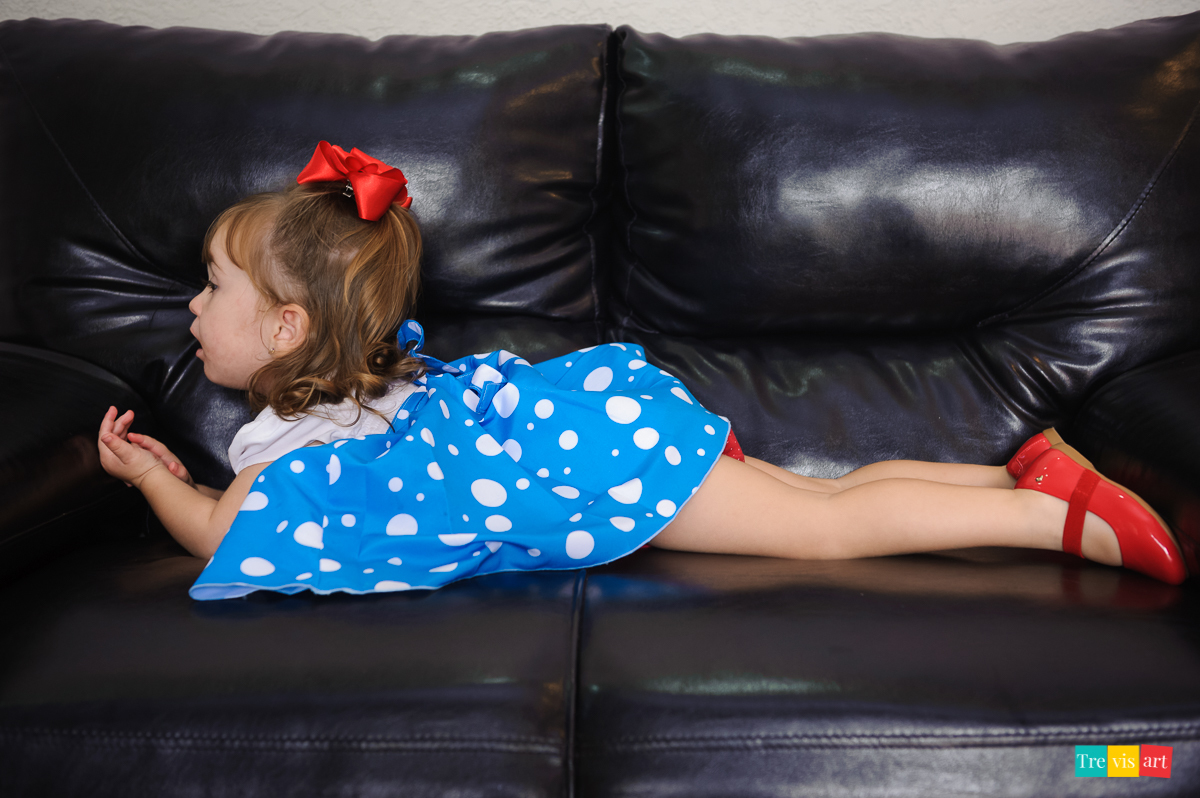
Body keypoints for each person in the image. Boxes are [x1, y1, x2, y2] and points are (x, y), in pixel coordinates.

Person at [96, 142, 1188, 600]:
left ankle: (1067, 525)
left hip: (597, 466)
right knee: (817, 493)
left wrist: (155, 480)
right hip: (595, 431)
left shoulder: (292, 447)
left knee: (824, 529)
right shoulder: (361, 393)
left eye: (211, 287)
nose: (191, 307)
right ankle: (1017, 475)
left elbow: (220, 530)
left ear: (288, 331)